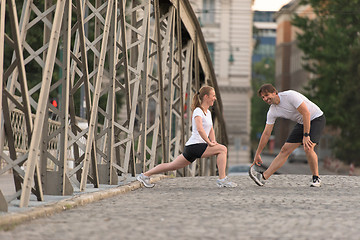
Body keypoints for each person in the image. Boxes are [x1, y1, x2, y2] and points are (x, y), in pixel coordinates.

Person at [137, 85, 237, 188]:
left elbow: (210, 128)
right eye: (213, 96)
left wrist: (214, 141)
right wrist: (209, 142)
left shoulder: (208, 113)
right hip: (195, 146)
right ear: (206, 97)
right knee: (222, 149)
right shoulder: (198, 111)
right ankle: (222, 179)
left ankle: (144, 175)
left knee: (172, 166)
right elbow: (199, 129)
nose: (215, 98)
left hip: (194, 147)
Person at [249, 84, 326, 187]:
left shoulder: (290, 96)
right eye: (263, 97)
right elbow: (266, 133)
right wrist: (258, 153)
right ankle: (262, 178)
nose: (265, 99)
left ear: (275, 92)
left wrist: (306, 135)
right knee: (285, 150)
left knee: (308, 147)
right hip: (302, 122)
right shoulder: (272, 111)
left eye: (267, 95)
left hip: (316, 118)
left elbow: (306, 113)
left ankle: (316, 178)